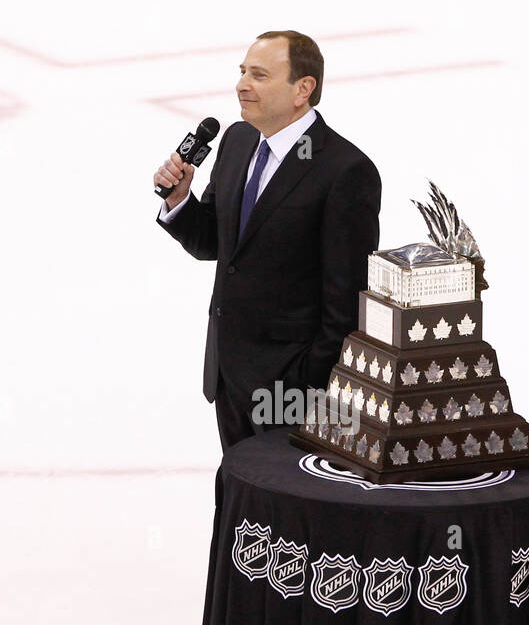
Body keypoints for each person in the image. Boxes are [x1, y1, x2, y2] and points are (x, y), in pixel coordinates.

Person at [154, 30, 381, 452]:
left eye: (259, 75)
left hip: (292, 391)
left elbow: (347, 302)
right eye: (242, 72)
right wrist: (180, 201)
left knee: (287, 507)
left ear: (303, 89)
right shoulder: (237, 141)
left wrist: (309, 383)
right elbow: (218, 245)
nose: (242, 85)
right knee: (239, 502)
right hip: (229, 375)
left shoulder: (344, 170)